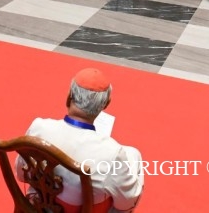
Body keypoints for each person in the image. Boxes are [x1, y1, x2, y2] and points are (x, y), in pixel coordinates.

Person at [17, 68, 143, 212]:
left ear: (69, 96)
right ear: (105, 105)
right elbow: (126, 204)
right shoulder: (112, 153)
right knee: (134, 155)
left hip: (40, 204)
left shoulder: (38, 127)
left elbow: (21, 174)